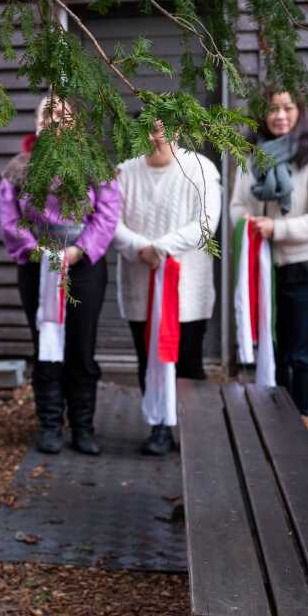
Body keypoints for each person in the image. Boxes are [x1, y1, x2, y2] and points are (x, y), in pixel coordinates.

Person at [0, 95, 121, 455]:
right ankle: (50, 425)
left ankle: (83, 426)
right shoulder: (18, 168)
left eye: (65, 116)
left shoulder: (96, 166)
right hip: (38, 266)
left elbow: (108, 213)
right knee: (46, 345)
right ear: (37, 121)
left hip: (82, 264)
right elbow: (9, 219)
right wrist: (38, 251)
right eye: (48, 114)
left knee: (82, 348)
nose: (56, 122)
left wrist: (79, 250)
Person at [230, 88, 308, 417]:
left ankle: (304, 421)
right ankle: (279, 424)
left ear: (300, 111)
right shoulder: (252, 157)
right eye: (272, 109)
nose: (280, 115)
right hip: (264, 267)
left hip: (303, 268)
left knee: (301, 354)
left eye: (287, 108)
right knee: (274, 350)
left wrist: (279, 229)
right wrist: (249, 223)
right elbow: (237, 205)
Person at [114, 125, 221, 455]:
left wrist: (159, 248)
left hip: (187, 285)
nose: (153, 136)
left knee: (188, 360)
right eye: (147, 128)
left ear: (177, 131)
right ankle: (159, 426)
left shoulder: (200, 168)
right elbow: (110, 222)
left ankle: (192, 429)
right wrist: (140, 248)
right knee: (148, 357)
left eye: (161, 130)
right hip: (140, 281)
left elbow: (205, 223)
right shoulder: (124, 171)